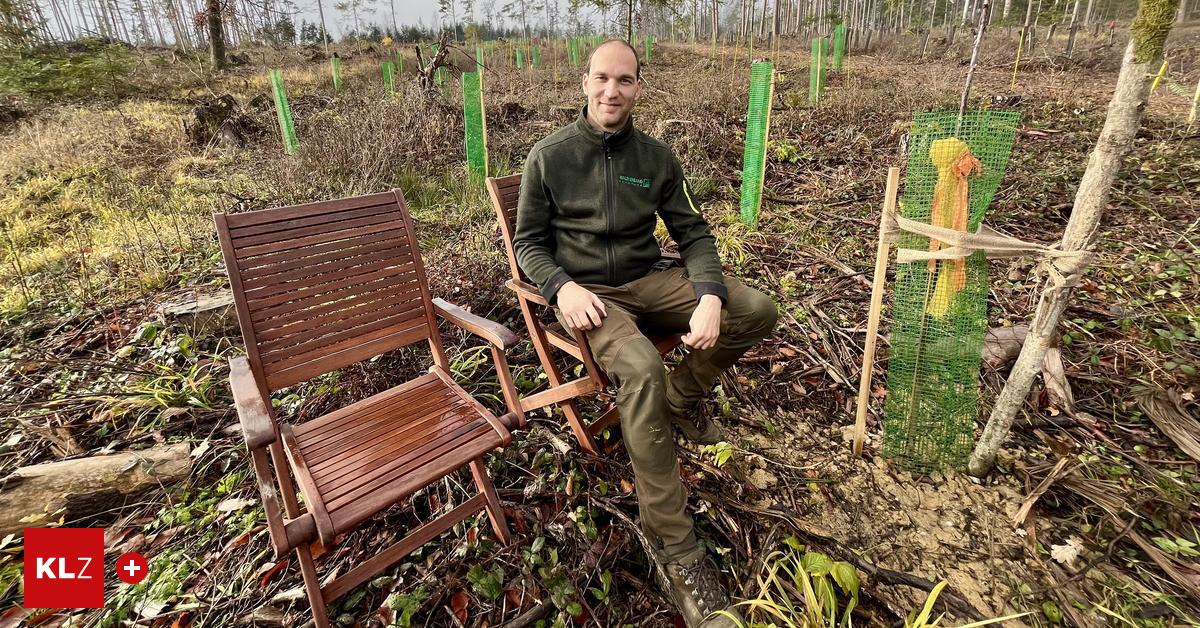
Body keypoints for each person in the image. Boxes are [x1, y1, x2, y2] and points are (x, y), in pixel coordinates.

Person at [513, 39, 778, 628]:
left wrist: (709, 295)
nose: (612, 91)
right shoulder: (549, 157)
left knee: (755, 309)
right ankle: (674, 541)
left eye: (625, 80)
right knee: (639, 368)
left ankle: (681, 401)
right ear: (584, 82)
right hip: (590, 297)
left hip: (648, 280)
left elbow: (696, 234)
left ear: (639, 85)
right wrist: (561, 288)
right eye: (602, 79)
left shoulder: (657, 158)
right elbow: (527, 243)